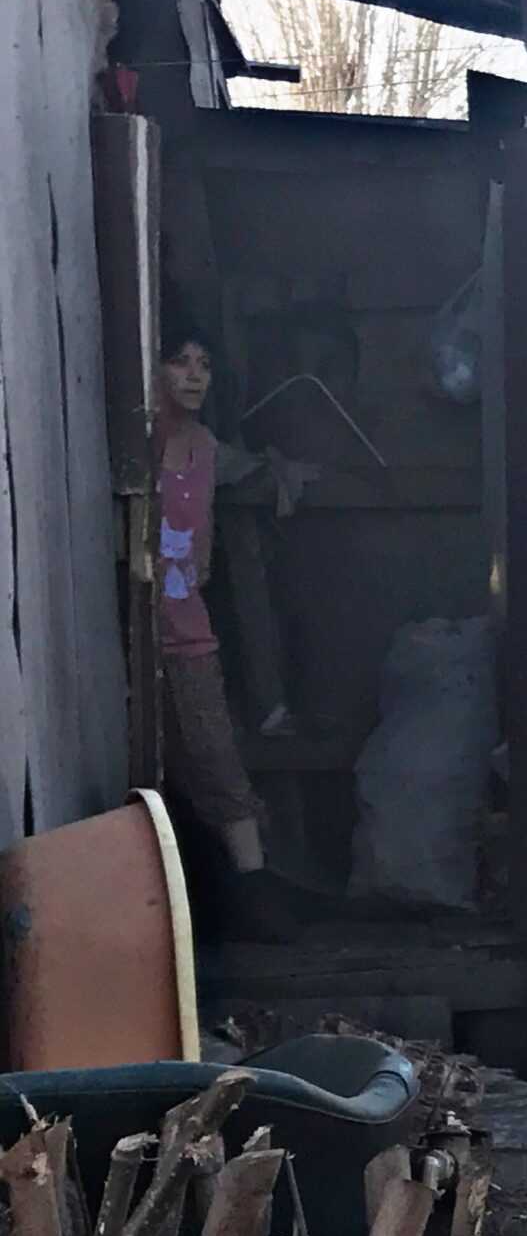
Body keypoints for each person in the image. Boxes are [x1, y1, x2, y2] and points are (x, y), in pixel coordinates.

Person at [153, 326, 299, 941]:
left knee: (216, 759)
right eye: (180, 362)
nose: (193, 375)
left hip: (188, 632)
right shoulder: (137, 443)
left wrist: (291, 472)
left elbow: (261, 474)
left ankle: (256, 904)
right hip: (132, 637)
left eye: (204, 364)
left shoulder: (206, 448)